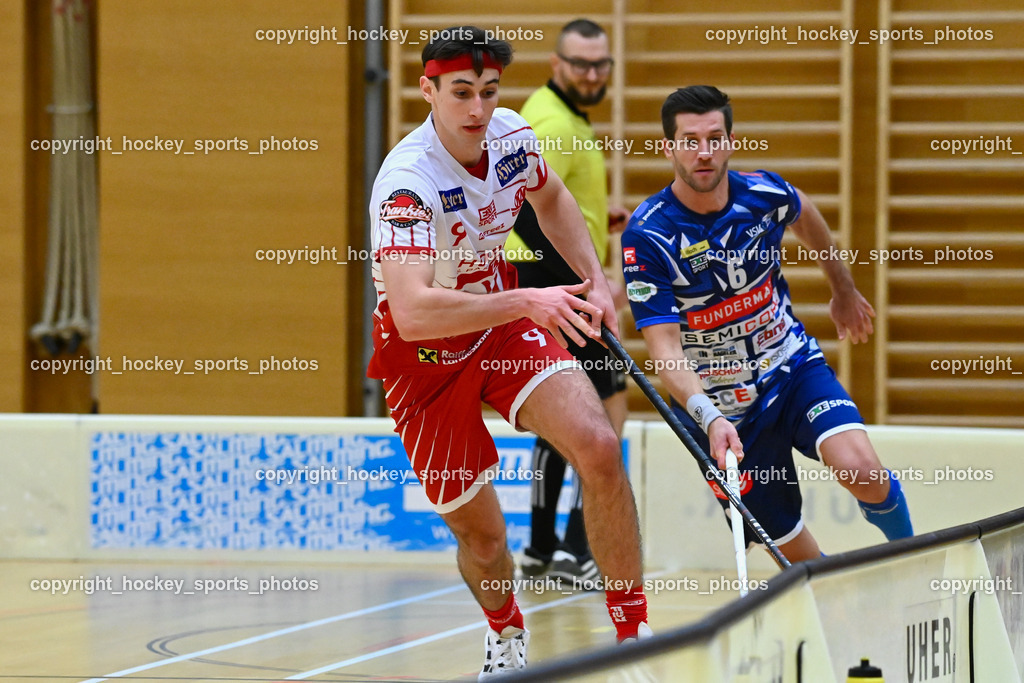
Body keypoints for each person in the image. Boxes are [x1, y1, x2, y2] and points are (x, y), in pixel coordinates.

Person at [367, 26, 650, 678]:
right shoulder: (407, 184)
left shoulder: (513, 138)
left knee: (599, 447)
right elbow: (411, 312)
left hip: (500, 322)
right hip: (426, 357)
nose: (477, 110)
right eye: (461, 92)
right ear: (427, 90)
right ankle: (505, 629)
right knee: (486, 540)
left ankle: (635, 639)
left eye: (489, 92)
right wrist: (529, 302)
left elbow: (552, 198)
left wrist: (592, 281)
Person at [621, 85, 913, 562]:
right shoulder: (648, 235)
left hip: (790, 365)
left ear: (731, 141)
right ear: (668, 147)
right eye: (690, 140)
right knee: (795, 556)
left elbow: (804, 212)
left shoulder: (763, 193)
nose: (704, 152)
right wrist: (709, 418)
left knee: (863, 470)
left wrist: (842, 288)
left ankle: (913, 558)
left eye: (715, 138)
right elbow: (665, 354)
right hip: (721, 410)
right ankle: (832, 620)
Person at [503, 18, 628, 584]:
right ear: (557, 66)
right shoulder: (552, 121)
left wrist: (604, 225)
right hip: (558, 286)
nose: (591, 73)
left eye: (601, 63)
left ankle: (543, 546)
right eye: (580, 63)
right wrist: (581, 290)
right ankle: (579, 550)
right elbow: (525, 210)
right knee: (604, 415)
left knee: (563, 420)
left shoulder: (564, 118)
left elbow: (562, 203)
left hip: (551, 283)